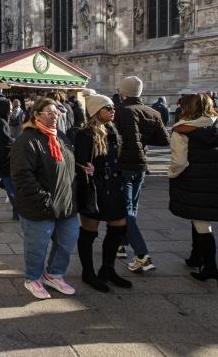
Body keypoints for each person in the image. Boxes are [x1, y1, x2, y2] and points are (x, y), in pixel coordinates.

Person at [10, 98, 77, 300]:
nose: (54, 116)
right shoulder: (27, 140)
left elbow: (69, 165)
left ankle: (54, 274)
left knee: (67, 241)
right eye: (49, 112)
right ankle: (33, 278)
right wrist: (44, 199)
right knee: (36, 247)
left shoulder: (62, 138)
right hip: (39, 206)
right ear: (36, 115)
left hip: (66, 203)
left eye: (56, 112)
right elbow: (22, 175)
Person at [75, 91, 132, 293]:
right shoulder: (85, 134)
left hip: (114, 186)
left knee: (119, 227)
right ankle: (88, 272)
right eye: (108, 108)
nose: (112, 111)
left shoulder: (112, 130)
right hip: (94, 188)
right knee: (89, 231)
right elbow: (81, 164)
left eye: (112, 108)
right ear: (96, 111)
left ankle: (108, 269)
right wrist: (91, 170)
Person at [113, 76, 170, 272]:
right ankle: (121, 244)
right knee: (132, 207)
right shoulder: (152, 112)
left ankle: (142, 254)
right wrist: (144, 141)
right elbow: (164, 140)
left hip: (124, 164)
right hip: (141, 165)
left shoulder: (121, 111)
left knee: (125, 208)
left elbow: (119, 138)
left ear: (124, 92)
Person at [168, 94, 218, 282]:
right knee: (199, 217)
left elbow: (179, 162)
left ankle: (210, 266)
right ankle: (196, 256)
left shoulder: (182, 129)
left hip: (195, 180)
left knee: (200, 220)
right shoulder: (215, 124)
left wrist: (172, 174)